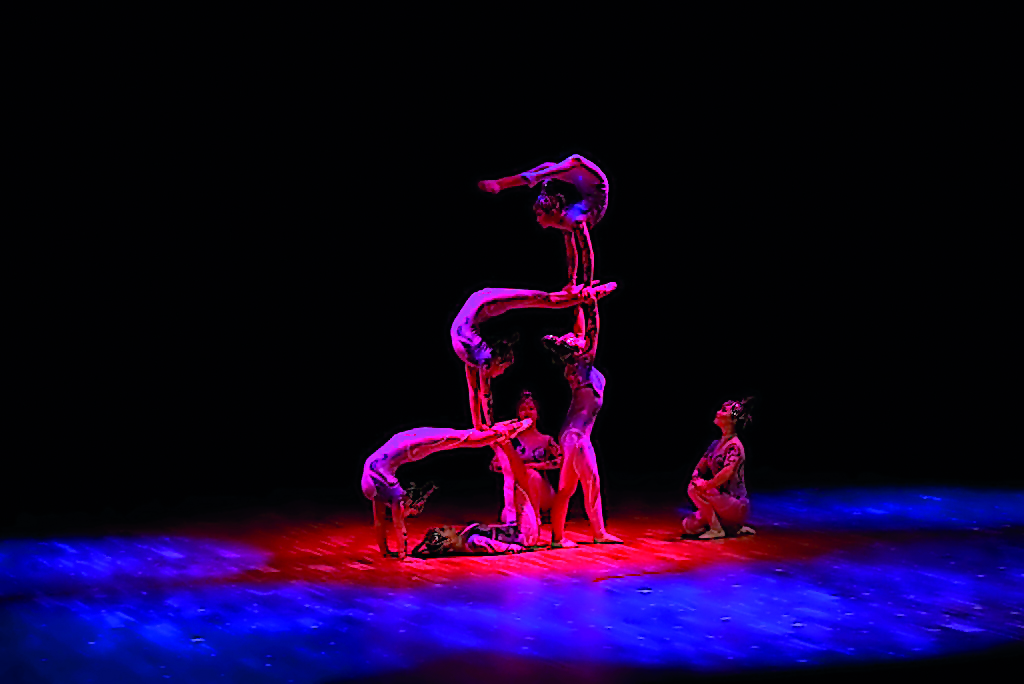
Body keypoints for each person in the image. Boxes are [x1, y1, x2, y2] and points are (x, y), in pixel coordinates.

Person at [451, 282, 617, 431]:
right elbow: (477, 393)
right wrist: (482, 427)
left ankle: (589, 294)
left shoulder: (483, 360)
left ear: (499, 361)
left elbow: (482, 395)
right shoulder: (478, 358)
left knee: (544, 300)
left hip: (483, 304)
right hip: (479, 302)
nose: (500, 375)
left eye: (502, 371)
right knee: (542, 300)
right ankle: (579, 295)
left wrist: (487, 428)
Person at [361, 419, 532, 560]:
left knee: (465, 439)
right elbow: (382, 522)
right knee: (460, 438)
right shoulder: (379, 485)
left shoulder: (391, 492)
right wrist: (388, 552)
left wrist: (402, 555)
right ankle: (503, 430)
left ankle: (505, 431)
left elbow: (397, 525)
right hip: (402, 441)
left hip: (409, 445)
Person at [545, 292, 622, 547]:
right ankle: (599, 533)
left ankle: (558, 538)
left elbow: (581, 328)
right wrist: (592, 302)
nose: (580, 339)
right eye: (574, 340)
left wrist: (579, 298)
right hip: (577, 436)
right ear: (573, 350)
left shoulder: (577, 364)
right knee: (592, 483)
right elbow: (592, 328)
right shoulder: (582, 363)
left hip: (571, 434)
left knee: (567, 488)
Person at [478, 154, 608, 291]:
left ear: (550, 212)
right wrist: (572, 283)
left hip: (592, 184)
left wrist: (587, 285)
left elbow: (586, 252)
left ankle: (512, 182)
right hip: (591, 186)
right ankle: (532, 177)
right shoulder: (568, 221)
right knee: (551, 166)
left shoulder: (574, 220)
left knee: (571, 161)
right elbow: (574, 252)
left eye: (539, 215)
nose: (537, 219)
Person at [682, 398, 757, 540]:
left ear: (733, 420)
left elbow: (727, 472)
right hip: (722, 499)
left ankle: (717, 529)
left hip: (735, 503)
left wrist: (706, 485)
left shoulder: (734, 446)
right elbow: (700, 466)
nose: (717, 412)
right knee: (689, 526)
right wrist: (696, 476)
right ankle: (730, 526)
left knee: (693, 489)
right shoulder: (716, 444)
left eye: (723, 410)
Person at [489, 390, 561, 524]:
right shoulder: (510, 442)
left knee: (531, 474)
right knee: (507, 518)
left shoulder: (545, 440)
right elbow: (494, 465)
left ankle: (535, 516)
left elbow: (561, 461)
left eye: (531, 409)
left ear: (537, 414)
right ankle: (523, 513)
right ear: (518, 414)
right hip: (519, 492)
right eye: (522, 409)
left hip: (542, 493)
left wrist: (536, 466)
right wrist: (514, 467)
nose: (527, 412)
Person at [411, 521, 532, 556]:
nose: (446, 526)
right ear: (448, 542)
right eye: (443, 530)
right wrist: (522, 547)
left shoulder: (465, 537)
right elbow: (502, 547)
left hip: (518, 529)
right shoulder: (474, 541)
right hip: (524, 534)